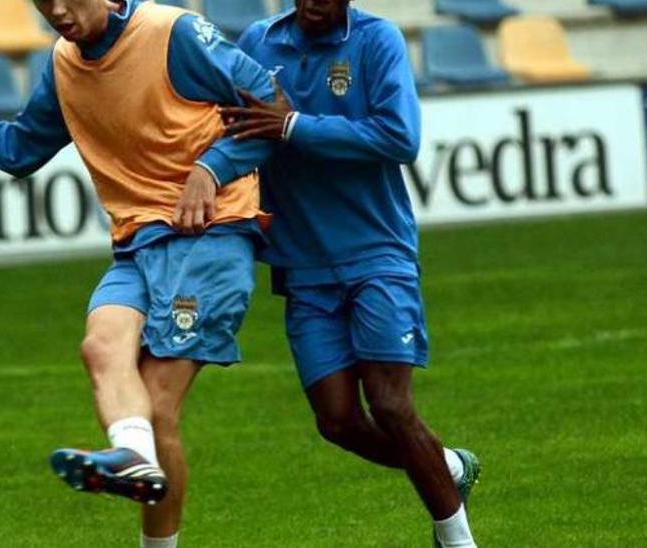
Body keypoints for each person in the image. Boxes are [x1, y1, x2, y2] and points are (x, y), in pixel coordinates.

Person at [0, 1, 275, 545]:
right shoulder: (62, 63)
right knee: (101, 348)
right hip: (136, 244)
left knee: (159, 409)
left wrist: (211, 168)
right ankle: (130, 454)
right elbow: (17, 149)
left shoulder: (173, 33)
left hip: (209, 237)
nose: (56, 11)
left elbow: (273, 107)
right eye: (42, 0)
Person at [221, 1, 480, 546]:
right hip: (303, 263)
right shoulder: (259, 44)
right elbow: (228, 120)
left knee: (389, 405)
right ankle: (450, 467)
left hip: (376, 251)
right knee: (336, 422)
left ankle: (457, 538)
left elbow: (399, 137)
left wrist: (292, 125)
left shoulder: (376, 41)